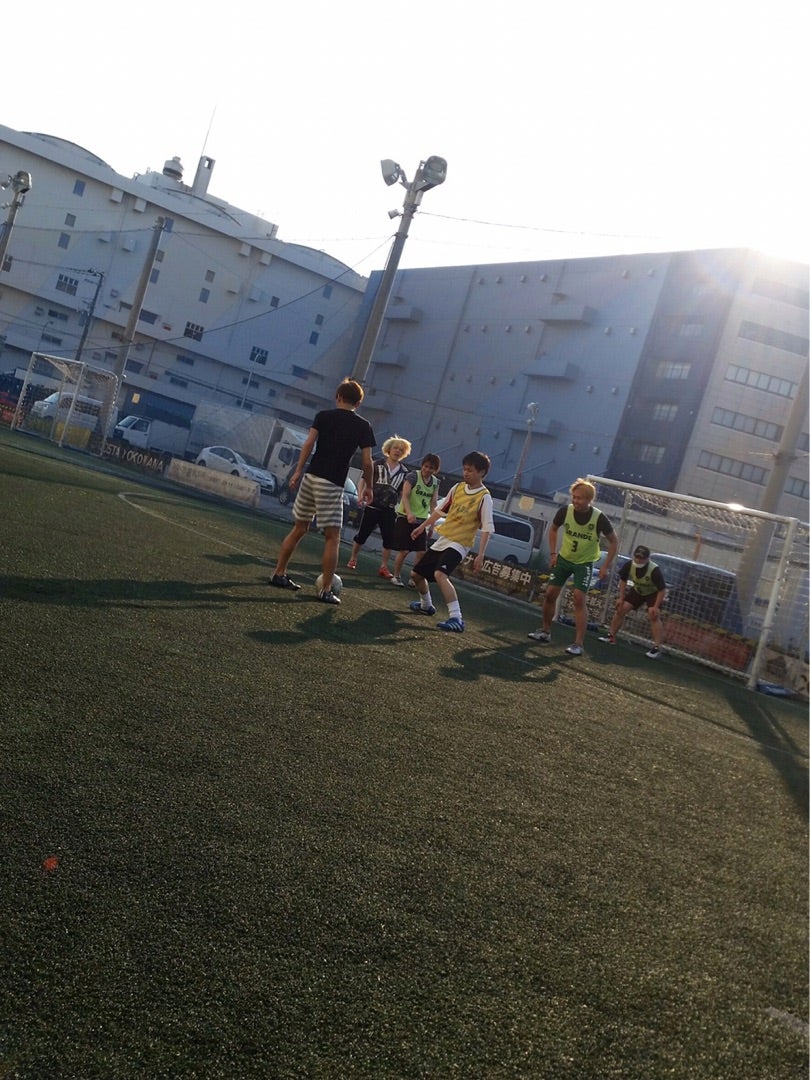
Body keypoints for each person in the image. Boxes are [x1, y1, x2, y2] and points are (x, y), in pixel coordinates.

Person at [270, 378, 375, 604]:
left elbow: (308, 444)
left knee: (299, 528)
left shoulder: (323, 416)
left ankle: (278, 573)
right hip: (332, 483)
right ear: (358, 403)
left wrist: (298, 471)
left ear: (338, 397)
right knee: (332, 537)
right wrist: (369, 486)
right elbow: (367, 462)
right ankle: (326, 590)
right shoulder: (363, 426)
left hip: (311, 476)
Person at [527, 478, 618, 656]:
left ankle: (578, 643)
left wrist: (606, 566)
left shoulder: (598, 518)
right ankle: (545, 631)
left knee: (578, 599)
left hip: (584, 563)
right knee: (550, 594)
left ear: (589, 500)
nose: (575, 501)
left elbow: (614, 541)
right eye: (574, 497)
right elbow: (553, 529)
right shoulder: (565, 511)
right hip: (564, 559)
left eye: (580, 498)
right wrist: (553, 554)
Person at [407, 451, 493, 633]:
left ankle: (456, 618)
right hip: (444, 539)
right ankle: (426, 605)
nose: (466, 473)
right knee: (416, 575)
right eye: (464, 469)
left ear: (482, 472)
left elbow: (487, 528)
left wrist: (481, 555)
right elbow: (439, 511)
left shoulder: (484, 497)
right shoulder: (457, 488)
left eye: (470, 470)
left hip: (460, 543)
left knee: (440, 574)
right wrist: (422, 527)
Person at [347, 436, 412, 579]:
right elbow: (364, 479)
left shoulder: (404, 472)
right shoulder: (377, 464)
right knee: (362, 534)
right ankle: (353, 558)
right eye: (395, 448)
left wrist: (405, 509)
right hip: (373, 505)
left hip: (389, 508)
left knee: (388, 539)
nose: (397, 451)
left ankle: (383, 566)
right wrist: (360, 495)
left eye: (401, 450)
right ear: (389, 449)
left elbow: (403, 493)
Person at [599, 545, 667, 658]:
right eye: (637, 557)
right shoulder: (629, 565)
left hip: (653, 593)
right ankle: (611, 636)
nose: (638, 560)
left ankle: (657, 648)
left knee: (653, 615)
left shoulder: (654, 570)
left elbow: (662, 590)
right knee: (621, 608)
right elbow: (623, 580)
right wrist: (621, 597)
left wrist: (656, 606)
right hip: (638, 590)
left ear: (647, 559)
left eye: (641, 558)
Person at [390, 453, 441, 587]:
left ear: (435, 470)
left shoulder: (435, 482)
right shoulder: (413, 476)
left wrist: (432, 524)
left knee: (421, 552)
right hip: (405, 517)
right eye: (426, 466)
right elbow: (405, 496)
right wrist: (409, 513)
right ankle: (396, 575)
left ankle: (414, 577)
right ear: (422, 465)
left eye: (431, 468)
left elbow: (433, 503)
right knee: (404, 550)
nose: (427, 470)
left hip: (421, 521)